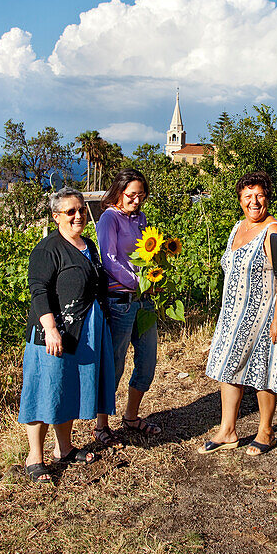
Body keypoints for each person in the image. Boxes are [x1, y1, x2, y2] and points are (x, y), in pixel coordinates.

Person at [18, 188, 114, 483]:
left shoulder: (88, 245)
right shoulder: (48, 249)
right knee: (43, 391)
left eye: (81, 210)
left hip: (82, 332)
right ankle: (34, 457)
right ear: (56, 216)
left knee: (67, 389)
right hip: (53, 335)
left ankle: (64, 448)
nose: (78, 216)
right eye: (70, 211)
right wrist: (50, 329)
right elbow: (39, 291)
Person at [200, 170, 277, 456]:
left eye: (259, 196)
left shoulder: (273, 230)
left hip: (264, 314)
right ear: (240, 199)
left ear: (267, 198)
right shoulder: (238, 227)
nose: (254, 202)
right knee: (229, 366)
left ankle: (266, 430)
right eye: (248, 196)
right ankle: (228, 430)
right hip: (233, 314)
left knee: (263, 370)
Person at [95, 168, 162, 444]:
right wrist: (137, 281)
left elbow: (148, 253)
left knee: (147, 361)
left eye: (141, 195)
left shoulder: (141, 218)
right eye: (132, 195)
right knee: (115, 364)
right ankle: (101, 425)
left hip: (144, 300)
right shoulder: (109, 218)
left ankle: (131, 416)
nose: (137, 201)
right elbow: (109, 260)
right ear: (119, 191)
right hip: (121, 301)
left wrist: (157, 274)